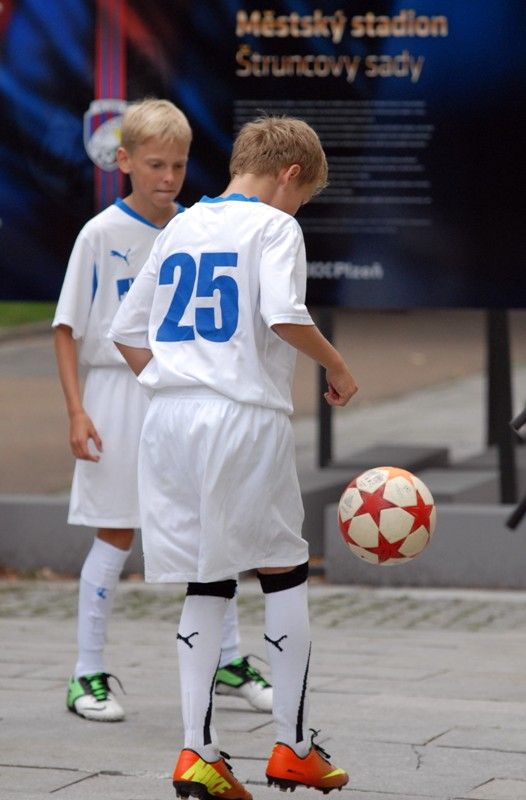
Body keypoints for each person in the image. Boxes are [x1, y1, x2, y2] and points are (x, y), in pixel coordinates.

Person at [110, 114, 358, 798]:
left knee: (207, 576)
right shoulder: (276, 227)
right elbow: (284, 314)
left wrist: (174, 383)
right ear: (289, 174)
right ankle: (293, 745)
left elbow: (127, 331)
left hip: (168, 418)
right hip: (240, 418)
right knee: (283, 569)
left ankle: (198, 753)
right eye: (301, 196)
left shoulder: (181, 225)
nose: (297, 208)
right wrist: (337, 366)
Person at [53, 98, 272, 723]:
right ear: (122, 161)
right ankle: (85, 673)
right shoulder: (100, 234)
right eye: (154, 164)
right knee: (116, 530)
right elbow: (65, 327)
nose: (168, 177)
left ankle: (228, 660)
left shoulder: (194, 227)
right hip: (116, 395)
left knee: (210, 530)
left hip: (180, 394)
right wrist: (75, 410)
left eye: (178, 165)